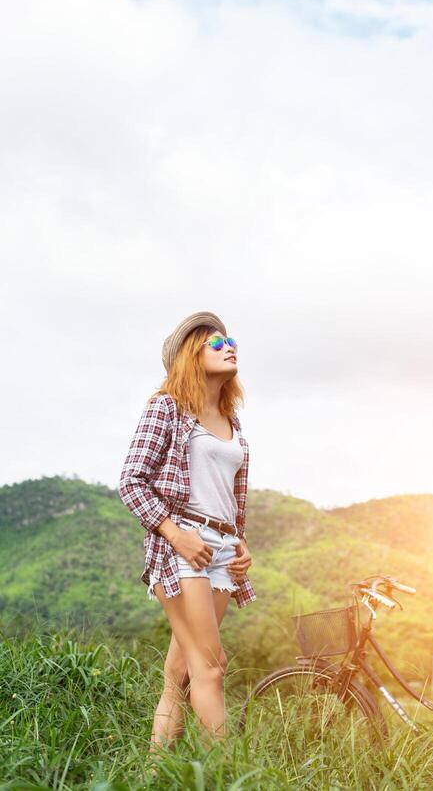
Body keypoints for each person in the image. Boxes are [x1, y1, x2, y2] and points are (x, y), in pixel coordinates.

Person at [118, 311, 256, 755]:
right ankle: (230, 775)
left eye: (230, 340)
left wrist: (242, 543)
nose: (229, 346)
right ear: (191, 355)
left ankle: (153, 774)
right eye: (216, 343)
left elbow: (234, 499)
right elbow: (131, 481)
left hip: (221, 551)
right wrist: (177, 535)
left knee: (180, 673)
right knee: (211, 667)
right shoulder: (167, 407)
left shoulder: (234, 425)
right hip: (182, 548)